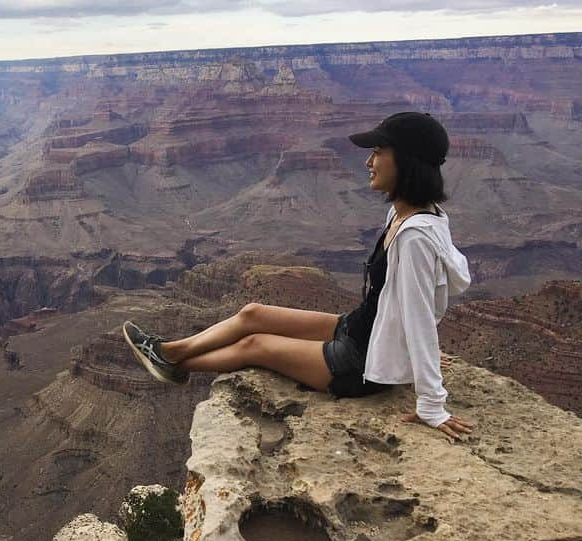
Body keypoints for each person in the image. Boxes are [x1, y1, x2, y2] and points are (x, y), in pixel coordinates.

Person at [122, 111, 476, 443]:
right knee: (253, 314)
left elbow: (418, 312)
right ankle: (169, 351)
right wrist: (410, 354)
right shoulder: (405, 216)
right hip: (358, 329)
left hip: (358, 366)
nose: (369, 162)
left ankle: (176, 364)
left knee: (255, 345)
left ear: (406, 160)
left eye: (379, 152)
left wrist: (430, 402)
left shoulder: (414, 236)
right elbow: (415, 300)